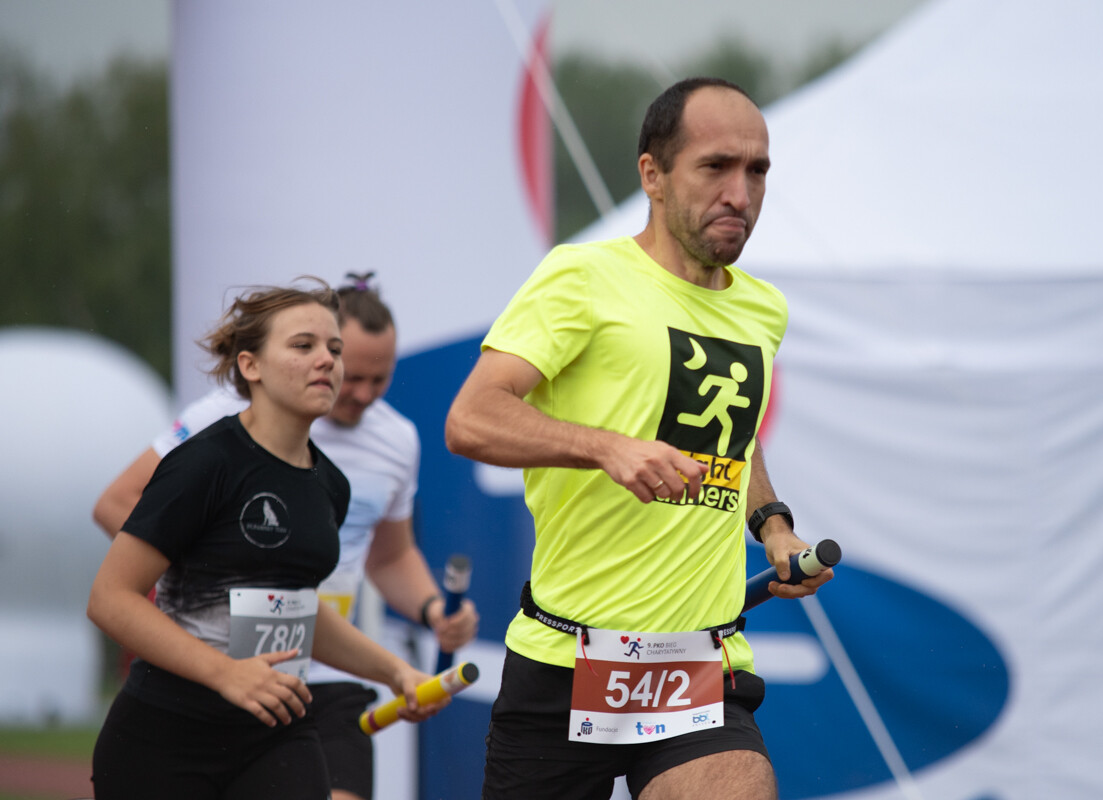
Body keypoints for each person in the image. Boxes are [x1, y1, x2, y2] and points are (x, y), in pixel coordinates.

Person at [444, 77, 834, 799]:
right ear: (652, 174)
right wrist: (607, 447)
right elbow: (471, 419)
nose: (740, 194)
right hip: (565, 660)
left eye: (756, 171)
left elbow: (735, 438)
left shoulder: (762, 309)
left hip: (700, 666)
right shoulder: (581, 276)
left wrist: (774, 527)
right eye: (715, 167)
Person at [92, 274, 479, 800]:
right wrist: (227, 672)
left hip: (278, 725)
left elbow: (297, 611)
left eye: (334, 349)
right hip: (168, 731)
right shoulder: (204, 462)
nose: (327, 361)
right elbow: (109, 600)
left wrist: (396, 672)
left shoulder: (330, 485)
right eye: (303, 346)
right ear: (250, 366)